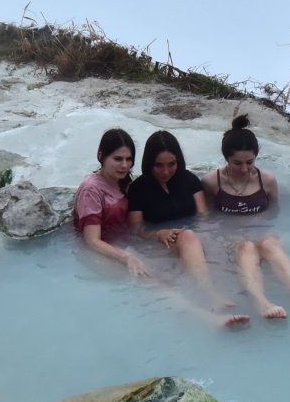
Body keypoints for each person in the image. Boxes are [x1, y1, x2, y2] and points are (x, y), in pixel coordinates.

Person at [126, 130, 249, 326]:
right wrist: (158, 234)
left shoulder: (189, 181)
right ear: (149, 163)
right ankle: (211, 296)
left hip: (195, 239)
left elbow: (205, 218)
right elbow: (135, 231)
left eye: (171, 164)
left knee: (194, 236)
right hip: (159, 244)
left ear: (179, 161)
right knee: (188, 235)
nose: (165, 171)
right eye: (158, 165)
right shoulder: (138, 189)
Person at [202, 114, 290, 319]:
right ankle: (262, 303)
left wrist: (277, 233)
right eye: (237, 163)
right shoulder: (211, 181)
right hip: (231, 236)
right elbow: (206, 218)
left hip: (262, 230)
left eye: (250, 162)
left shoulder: (267, 180)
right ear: (226, 158)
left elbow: (276, 212)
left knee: (269, 244)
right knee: (246, 246)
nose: (244, 169)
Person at [74, 128, 146, 276]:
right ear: (101, 157)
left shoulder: (122, 182)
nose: (125, 165)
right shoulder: (91, 189)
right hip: (100, 252)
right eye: (118, 159)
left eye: (129, 159)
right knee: (153, 281)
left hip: (123, 243)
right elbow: (92, 240)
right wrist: (126, 257)